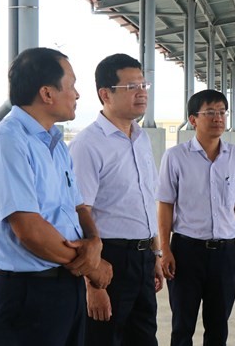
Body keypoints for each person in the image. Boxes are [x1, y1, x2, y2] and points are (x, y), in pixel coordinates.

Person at [0, 47, 112, 346]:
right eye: (72, 85)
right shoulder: (8, 143)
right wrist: (91, 265)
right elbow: (31, 231)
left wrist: (95, 242)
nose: (77, 95)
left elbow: (78, 206)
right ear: (47, 94)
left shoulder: (56, 144)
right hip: (28, 295)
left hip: (65, 287)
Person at [69, 53, 164, 346]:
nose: (142, 92)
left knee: (144, 337)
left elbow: (147, 201)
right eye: (131, 86)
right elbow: (79, 213)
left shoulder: (141, 137)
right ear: (105, 94)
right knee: (103, 338)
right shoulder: (88, 144)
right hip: (109, 259)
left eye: (144, 84)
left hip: (143, 258)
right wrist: (93, 284)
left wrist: (155, 255)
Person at [157, 89, 235, 346]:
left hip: (224, 253)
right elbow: (165, 205)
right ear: (193, 119)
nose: (218, 118)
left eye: (222, 112)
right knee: (182, 326)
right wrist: (164, 250)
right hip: (186, 252)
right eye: (210, 112)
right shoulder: (175, 157)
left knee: (218, 326)